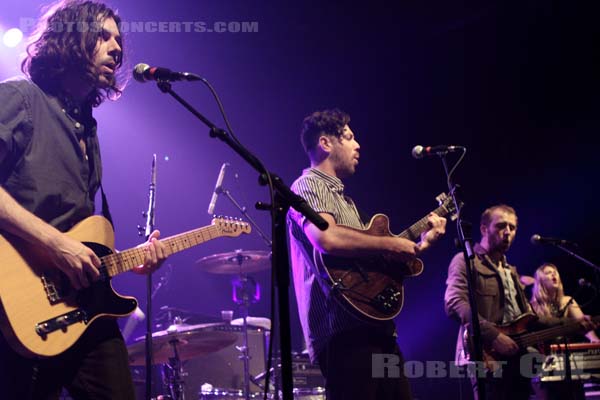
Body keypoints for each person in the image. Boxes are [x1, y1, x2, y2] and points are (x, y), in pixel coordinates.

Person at [0, 1, 166, 399]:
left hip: (82, 306)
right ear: (70, 39)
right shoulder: (21, 98)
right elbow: (61, 240)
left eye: (118, 39)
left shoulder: (87, 127)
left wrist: (125, 260)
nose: (117, 49)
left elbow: (80, 232)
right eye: (103, 36)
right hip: (15, 301)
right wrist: (56, 245)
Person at [287, 108, 447, 400]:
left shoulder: (345, 201)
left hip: (375, 327)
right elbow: (327, 238)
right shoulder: (308, 185)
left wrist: (422, 244)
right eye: (348, 137)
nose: (357, 144)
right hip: (343, 332)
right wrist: (390, 244)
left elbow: (373, 268)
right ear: (325, 143)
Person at [444, 205, 596, 400]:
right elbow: (454, 302)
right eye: (501, 226)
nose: (507, 232)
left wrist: (574, 324)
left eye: (512, 227)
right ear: (484, 229)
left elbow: (530, 319)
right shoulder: (466, 261)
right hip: (486, 356)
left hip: (519, 357)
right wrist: (494, 336)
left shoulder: (511, 271)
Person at [530, 263, 600, 400]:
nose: (553, 274)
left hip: (569, 361)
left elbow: (583, 324)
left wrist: (594, 339)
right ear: (540, 280)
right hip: (543, 363)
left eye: (555, 272)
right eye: (548, 272)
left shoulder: (567, 301)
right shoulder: (532, 306)